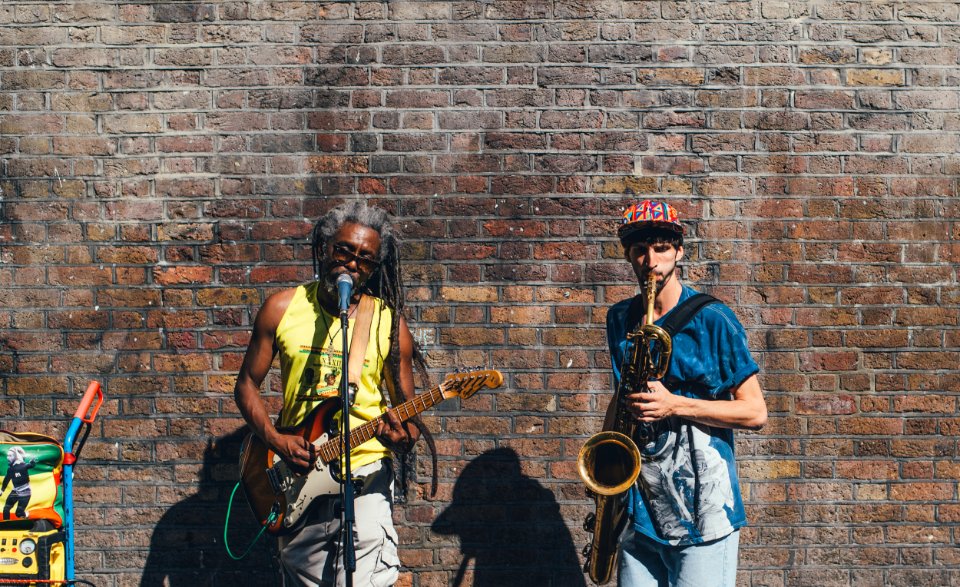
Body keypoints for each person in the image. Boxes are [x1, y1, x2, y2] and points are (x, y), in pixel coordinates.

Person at [234, 201, 424, 587]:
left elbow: (411, 423)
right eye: (344, 251)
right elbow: (245, 386)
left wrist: (400, 437)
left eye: (365, 259)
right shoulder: (282, 309)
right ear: (324, 248)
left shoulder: (388, 324)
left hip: (367, 475)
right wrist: (275, 439)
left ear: (374, 267)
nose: (352, 264)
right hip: (301, 477)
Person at [605, 199, 767, 586]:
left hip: (703, 517)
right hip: (638, 512)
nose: (651, 261)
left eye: (661, 248)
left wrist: (674, 404)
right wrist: (606, 479)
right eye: (640, 250)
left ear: (678, 250)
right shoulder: (619, 319)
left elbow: (755, 412)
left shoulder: (714, 319)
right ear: (628, 254)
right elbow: (622, 398)